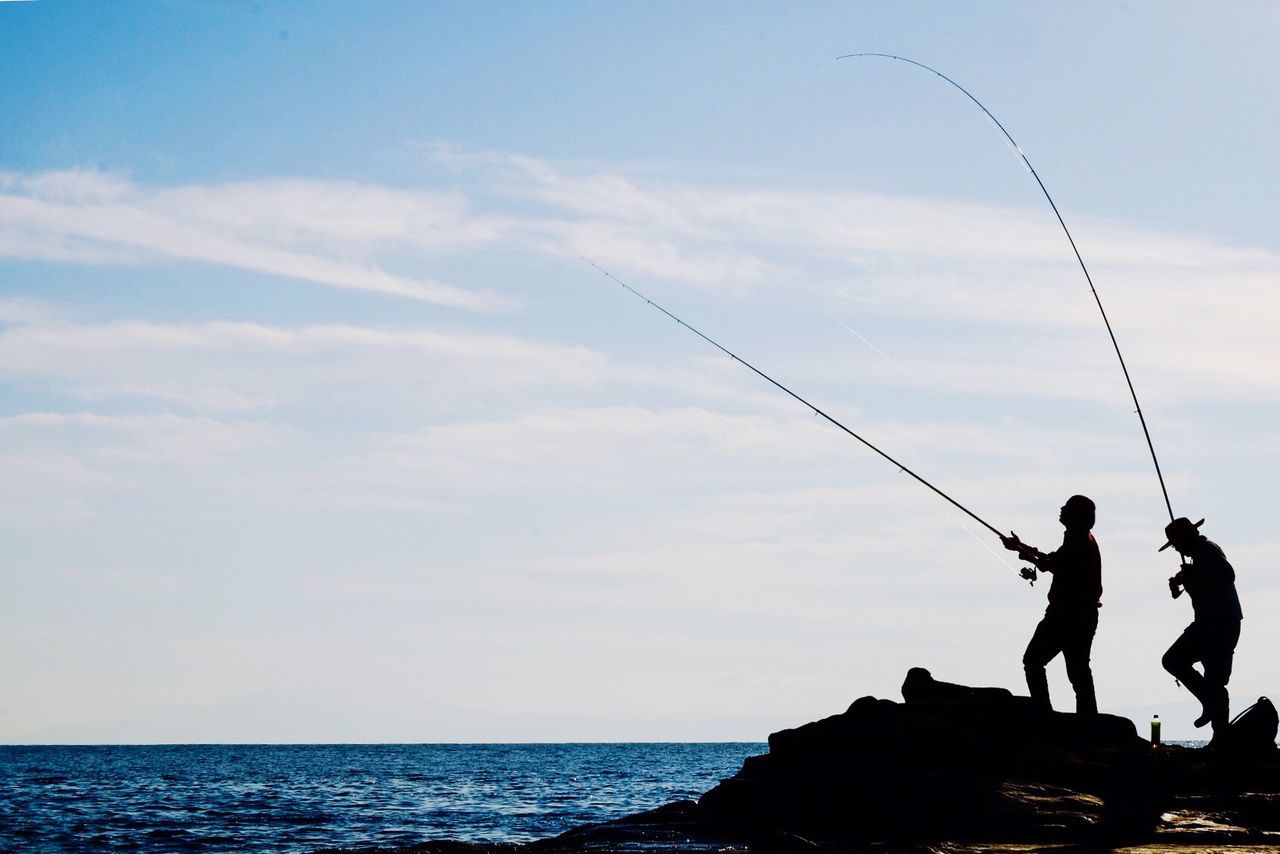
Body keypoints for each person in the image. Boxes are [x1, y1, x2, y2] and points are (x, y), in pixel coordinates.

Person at [1000, 495, 1102, 716]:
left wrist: (1020, 549)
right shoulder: (1081, 538)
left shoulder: (1078, 540)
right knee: (1078, 672)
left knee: (1034, 661)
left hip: (1066, 615)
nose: (1061, 508)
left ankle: (1044, 714)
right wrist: (1021, 547)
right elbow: (1054, 561)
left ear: (1075, 516)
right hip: (1081, 615)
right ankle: (1087, 721)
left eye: (1067, 507)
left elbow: (1051, 564)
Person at [1160, 516, 1243, 737]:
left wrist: (1193, 576)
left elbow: (1227, 574)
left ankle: (1213, 711)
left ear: (1186, 538)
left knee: (1176, 661)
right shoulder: (1200, 556)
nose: (1176, 548)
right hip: (1214, 622)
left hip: (1219, 623)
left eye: (1176, 543)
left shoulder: (1207, 551)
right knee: (1213, 678)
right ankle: (1219, 730)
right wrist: (1186, 580)